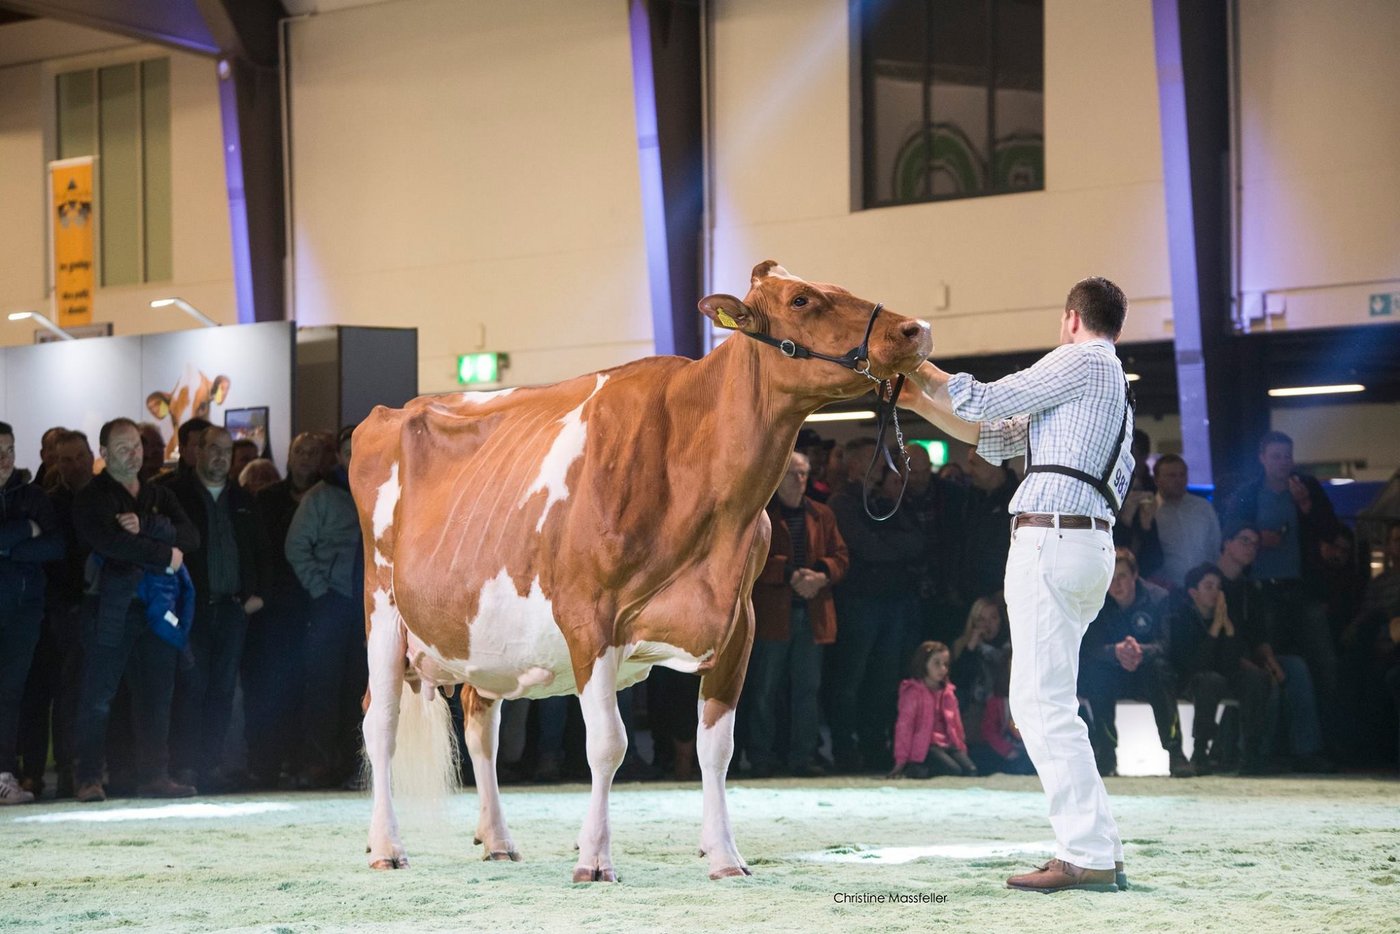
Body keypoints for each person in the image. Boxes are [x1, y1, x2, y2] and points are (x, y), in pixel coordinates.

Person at [901, 275, 1133, 893]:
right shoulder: (1108, 388)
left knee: (1038, 705)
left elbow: (990, 399)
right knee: (1052, 700)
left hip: (1053, 539)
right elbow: (999, 439)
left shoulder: (1081, 360)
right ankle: (1100, 845)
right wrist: (919, 401)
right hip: (1084, 543)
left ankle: (1083, 852)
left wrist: (919, 364)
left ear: (1070, 318)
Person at [71, 418, 200, 801]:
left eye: (137, 446)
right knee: (98, 696)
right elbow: (111, 544)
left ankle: (154, 776)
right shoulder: (93, 497)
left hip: (156, 610)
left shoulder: (157, 494)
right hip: (110, 608)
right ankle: (88, 776)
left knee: (157, 696)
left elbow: (191, 536)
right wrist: (168, 556)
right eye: (123, 448)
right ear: (104, 454)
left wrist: (147, 526)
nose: (134, 454)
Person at [1223, 431, 1342, 742]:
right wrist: (1261, 539)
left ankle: (1328, 741)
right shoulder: (1249, 493)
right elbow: (1232, 532)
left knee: (1323, 662)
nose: (1282, 462)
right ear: (1262, 458)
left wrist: (1305, 505)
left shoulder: (1306, 488)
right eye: (1276, 456)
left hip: (1303, 589)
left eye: (1287, 456)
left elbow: (1332, 532)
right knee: (1273, 662)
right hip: (1263, 590)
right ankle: (1272, 743)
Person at [167, 427, 268, 790]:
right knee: (190, 688)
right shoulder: (176, 496)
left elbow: (261, 553)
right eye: (213, 449)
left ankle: (208, 768)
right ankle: (185, 767)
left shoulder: (244, 499)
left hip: (232, 611)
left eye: (226, 450)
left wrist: (255, 597)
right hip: (191, 610)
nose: (221, 457)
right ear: (197, 452)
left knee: (223, 692)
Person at [747, 450, 848, 777]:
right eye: (793, 473)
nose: (800, 480)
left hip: (812, 612)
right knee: (765, 690)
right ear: (777, 476)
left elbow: (842, 556)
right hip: (775, 615)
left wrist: (821, 574)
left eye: (804, 473)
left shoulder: (822, 514)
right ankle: (761, 757)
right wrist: (789, 573)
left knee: (808, 690)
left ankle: (802, 758)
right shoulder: (762, 515)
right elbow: (751, 558)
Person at [245, 432, 328, 787]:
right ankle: (266, 763)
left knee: (314, 689)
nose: (306, 458)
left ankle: (305, 762)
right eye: (299, 452)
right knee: (275, 685)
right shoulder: (267, 499)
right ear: (289, 457)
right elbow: (261, 552)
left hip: (321, 604)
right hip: (278, 605)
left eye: (312, 452)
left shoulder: (334, 495)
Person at [286, 425, 366, 788]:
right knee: (322, 687)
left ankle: (355, 767)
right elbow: (296, 547)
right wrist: (321, 591)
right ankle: (317, 764)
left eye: (361, 450)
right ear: (338, 457)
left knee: (361, 689)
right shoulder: (320, 497)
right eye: (348, 452)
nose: (355, 458)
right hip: (332, 603)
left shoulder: (382, 491)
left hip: (368, 606)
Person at [17, 430, 93, 799]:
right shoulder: (47, 502)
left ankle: (73, 771)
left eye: (80, 457)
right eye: (65, 459)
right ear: (52, 461)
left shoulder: (104, 497)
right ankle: (42, 771)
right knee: (47, 694)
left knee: (77, 695)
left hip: (91, 608)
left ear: (93, 455)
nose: (74, 465)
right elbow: (51, 551)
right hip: (53, 609)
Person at [1078, 548, 1189, 778]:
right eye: (1110, 578)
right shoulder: (1096, 602)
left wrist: (1140, 651)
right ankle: (1106, 753)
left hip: (1148, 673)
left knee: (1160, 670)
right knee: (1096, 673)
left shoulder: (1159, 598)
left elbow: (1167, 644)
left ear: (1135, 574)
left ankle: (1175, 752)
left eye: (1122, 576)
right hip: (1114, 674)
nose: (1116, 584)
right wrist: (1115, 652)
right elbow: (1090, 647)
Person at [0, 422, 65, 804]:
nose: (4, 460)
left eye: (9, 449)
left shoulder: (33, 495)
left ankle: (5, 774)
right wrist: (25, 530)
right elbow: (39, 537)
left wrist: (9, 549)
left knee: (11, 693)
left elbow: (56, 546)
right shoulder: (31, 509)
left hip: (24, 609)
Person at [1164, 562, 1271, 774]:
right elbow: (1194, 665)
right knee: (1210, 681)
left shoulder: (1226, 614)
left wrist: (1229, 630)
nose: (1216, 592)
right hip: (1191, 680)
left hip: (1223, 676)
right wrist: (1214, 630)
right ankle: (1200, 751)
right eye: (1209, 586)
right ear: (1194, 592)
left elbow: (1232, 663)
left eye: (1218, 587)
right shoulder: (1181, 619)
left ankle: (1251, 751)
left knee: (1255, 678)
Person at [889, 641, 976, 778]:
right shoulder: (913, 693)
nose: (942, 669)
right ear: (924, 664)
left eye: (945, 664)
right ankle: (916, 769)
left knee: (970, 770)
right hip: (926, 747)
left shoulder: (948, 692)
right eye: (937, 663)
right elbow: (904, 727)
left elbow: (956, 725)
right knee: (952, 771)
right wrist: (901, 760)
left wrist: (960, 748)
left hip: (948, 744)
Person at [1148, 455, 1221, 590]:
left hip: (1204, 588)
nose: (1178, 480)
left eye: (1182, 475)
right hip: (1166, 588)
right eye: (1171, 475)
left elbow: (1215, 546)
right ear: (1157, 480)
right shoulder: (1150, 511)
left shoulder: (1203, 507)